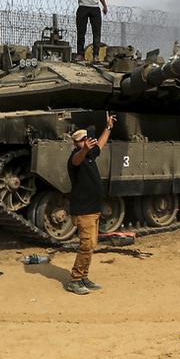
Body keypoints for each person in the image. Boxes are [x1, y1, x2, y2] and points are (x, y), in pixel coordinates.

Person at [64, 113, 114, 295]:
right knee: (86, 245)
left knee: (91, 245)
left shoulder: (90, 154)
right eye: (81, 140)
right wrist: (84, 149)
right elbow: (77, 159)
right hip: (83, 210)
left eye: (86, 138)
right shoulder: (75, 158)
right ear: (75, 143)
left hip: (94, 209)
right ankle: (75, 280)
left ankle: (84, 276)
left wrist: (108, 127)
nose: (85, 141)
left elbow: (100, 144)